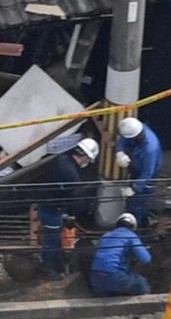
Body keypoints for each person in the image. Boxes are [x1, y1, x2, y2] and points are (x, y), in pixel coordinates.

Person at [34, 138, 99, 281]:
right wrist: (73, 213)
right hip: (53, 211)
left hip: (44, 206)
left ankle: (54, 263)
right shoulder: (72, 176)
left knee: (52, 238)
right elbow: (74, 200)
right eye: (88, 159)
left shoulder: (61, 160)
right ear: (84, 157)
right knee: (52, 241)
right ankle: (49, 268)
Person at [115, 117, 162, 230]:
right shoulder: (136, 128)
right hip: (137, 168)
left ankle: (137, 230)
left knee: (135, 203)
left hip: (148, 176)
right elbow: (124, 140)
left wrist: (135, 188)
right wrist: (120, 152)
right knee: (139, 203)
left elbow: (148, 172)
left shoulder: (150, 148)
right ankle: (144, 223)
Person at [90, 212, 152, 297]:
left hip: (96, 276)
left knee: (105, 299)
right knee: (141, 283)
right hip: (114, 276)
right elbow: (146, 259)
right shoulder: (131, 235)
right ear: (133, 227)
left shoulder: (105, 235)